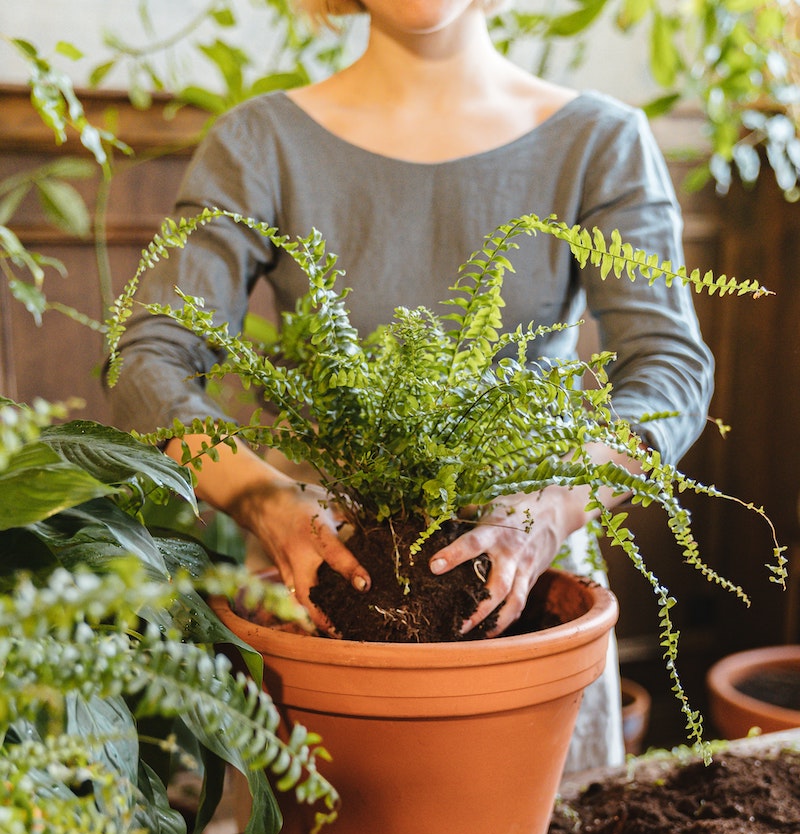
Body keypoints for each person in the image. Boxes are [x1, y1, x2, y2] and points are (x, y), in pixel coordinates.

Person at [107, 0, 714, 772]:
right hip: (327, 581)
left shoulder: (598, 141)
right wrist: (268, 503)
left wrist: (549, 511)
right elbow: (147, 363)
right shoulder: (262, 142)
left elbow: (670, 371)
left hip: (519, 590)